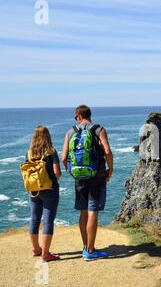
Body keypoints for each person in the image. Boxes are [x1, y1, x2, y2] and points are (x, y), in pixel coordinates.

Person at [62, 105, 114, 261]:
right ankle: (91, 251)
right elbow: (107, 151)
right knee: (93, 211)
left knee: (83, 211)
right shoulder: (99, 130)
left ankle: (86, 247)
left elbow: (64, 158)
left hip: (79, 177)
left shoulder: (70, 132)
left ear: (78, 116)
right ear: (89, 116)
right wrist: (109, 170)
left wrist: (72, 171)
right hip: (96, 175)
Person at [26, 126, 61, 262]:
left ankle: (36, 249)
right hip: (50, 190)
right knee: (47, 221)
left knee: (34, 219)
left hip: (33, 190)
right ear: (48, 137)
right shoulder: (51, 152)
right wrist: (52, 180)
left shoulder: (29, 153)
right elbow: (57, 172)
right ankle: (45, 254)